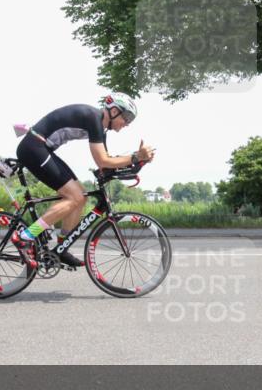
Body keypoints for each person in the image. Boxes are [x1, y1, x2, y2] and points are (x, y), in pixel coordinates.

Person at [11, 93, 155, 268]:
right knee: (74, 197)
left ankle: (61, 248)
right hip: (34, 147)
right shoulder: (93, 117)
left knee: (81, 198)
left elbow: (106, 168)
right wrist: (135, 156)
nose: (127, 124)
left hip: (42, 148)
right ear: (115, 111)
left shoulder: (100, 129)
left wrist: (139, 162)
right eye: (127, 118)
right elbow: (103, 161)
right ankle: (25, 236)